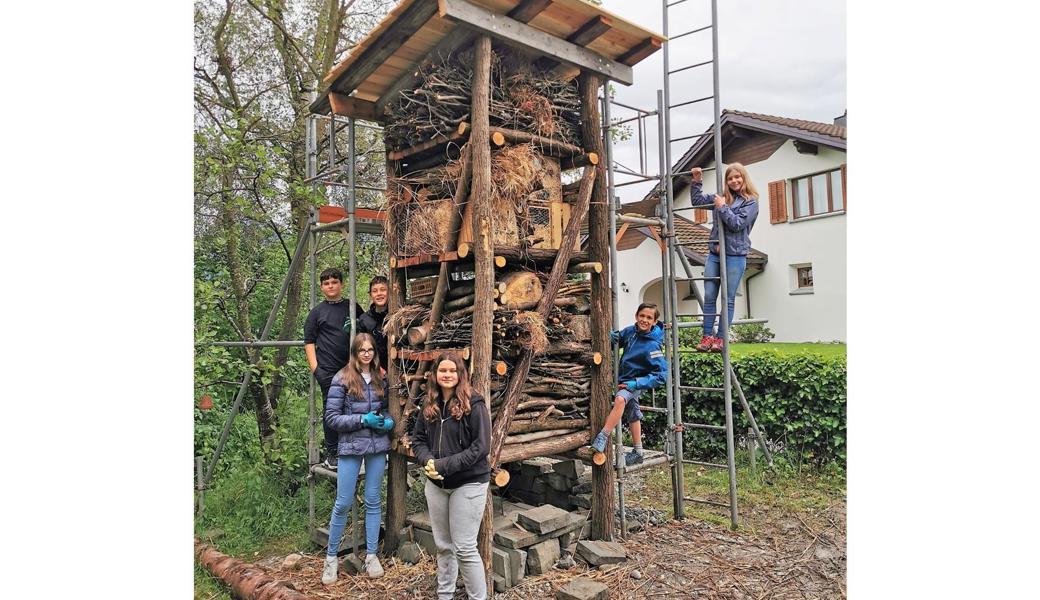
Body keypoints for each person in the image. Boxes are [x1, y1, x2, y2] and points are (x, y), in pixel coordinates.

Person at [410, 352, 491, 600]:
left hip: (469, 483)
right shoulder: (429, 402)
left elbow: (481, 447)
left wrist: (444, 465)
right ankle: (444, 595)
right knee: (444, 546)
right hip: (436, 484)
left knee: (465, 548)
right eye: (442, 370)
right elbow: (418, 440)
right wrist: (428, 461)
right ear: (434, 374)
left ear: (460, 374)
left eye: (452, 371)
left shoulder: (474, 404)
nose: (447, 375)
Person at [321, 333, 395, 585]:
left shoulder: (381, 377)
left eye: (370, 349)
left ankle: (371, 555)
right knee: (342, 502)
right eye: (362, 350)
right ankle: (331, 559)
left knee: (373, 500)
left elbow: (385, 407)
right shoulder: (341, 378)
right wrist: (362, 420)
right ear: (354, 353)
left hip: (376, 446)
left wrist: (387, 420)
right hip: (351, 446)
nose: (366, 354)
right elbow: (331, 418)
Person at [689, 163, 760, 352]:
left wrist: (722, 208)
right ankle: (707, 337)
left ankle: (720, 339)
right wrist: (697, 180)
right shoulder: (720, 198)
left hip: (735, 255)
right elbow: (696, 201)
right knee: (710, 295)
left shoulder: (751, 201)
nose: (734, 181)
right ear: (726, 181)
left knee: (727, 298)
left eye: (738, 177)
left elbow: (737, 224)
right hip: (714, 254)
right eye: (730, 178)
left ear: (744, 178)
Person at [590, 303, 668, 466]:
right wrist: (610, 337)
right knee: (633, 412)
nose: (644, 320)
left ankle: (603, 436)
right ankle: (638, 451)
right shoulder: (631, 331)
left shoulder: (653, 345)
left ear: (654, 322)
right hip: (624, 379)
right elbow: (618, 340)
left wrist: (636, 384)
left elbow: (662, 376)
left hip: (634, 383)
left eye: (649, 318)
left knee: (620, 400)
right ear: (636, 316)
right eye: (642, 316)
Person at [304, 267, 365, 470]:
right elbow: (309, 342)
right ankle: (332, 453)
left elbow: (364, 331)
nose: (331, 286)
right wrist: (316, 369)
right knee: (332, 411)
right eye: (326, 283)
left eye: (334, 282)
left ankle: (352, 448)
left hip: (351, 369)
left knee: (354, 407)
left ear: (342, 284)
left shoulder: (351, 306)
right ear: (321, 287)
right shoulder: (317, 313)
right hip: (328, 372)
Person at [357, 275, 390, 369]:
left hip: (399, 368)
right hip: (374, 370)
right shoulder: (364, 319)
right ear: (370, 295)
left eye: (383, 290)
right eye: (375, 291)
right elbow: (361, 349)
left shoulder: (399, 315)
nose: (379, 294)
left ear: (390, 292)